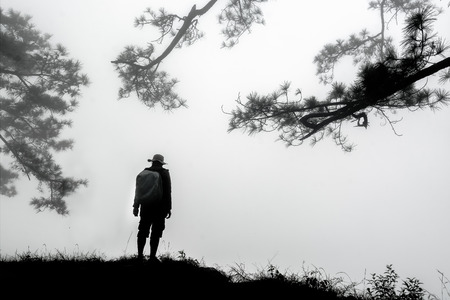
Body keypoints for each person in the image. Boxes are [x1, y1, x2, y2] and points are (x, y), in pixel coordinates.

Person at [133, 154, 172, 262]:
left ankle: (140, 256)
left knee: (142, 230)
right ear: (161, 163)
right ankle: (152, 257)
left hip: (145, 207)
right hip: (159, 208)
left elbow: (138, 191)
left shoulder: (144, 173)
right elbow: (168, 192)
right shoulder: (164, 173)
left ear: (152, 162)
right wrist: (168, 208)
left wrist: (136, 206)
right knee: (156, 232)